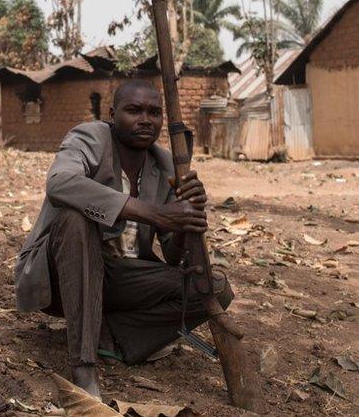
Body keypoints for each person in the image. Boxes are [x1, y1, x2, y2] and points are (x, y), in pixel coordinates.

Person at [13, 79, 233, 397]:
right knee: (76, 219)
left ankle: (111, 338)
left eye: (154, 112)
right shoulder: (90, 138)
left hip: (118, 277)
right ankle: (84, 367)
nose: (145, 119)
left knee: (212, 287)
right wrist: (154, 213)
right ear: (113, 114)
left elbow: (172, 255)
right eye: (134, 110)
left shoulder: (165, 164)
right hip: (63, 275)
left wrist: (187, 219)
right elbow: (59, 184)